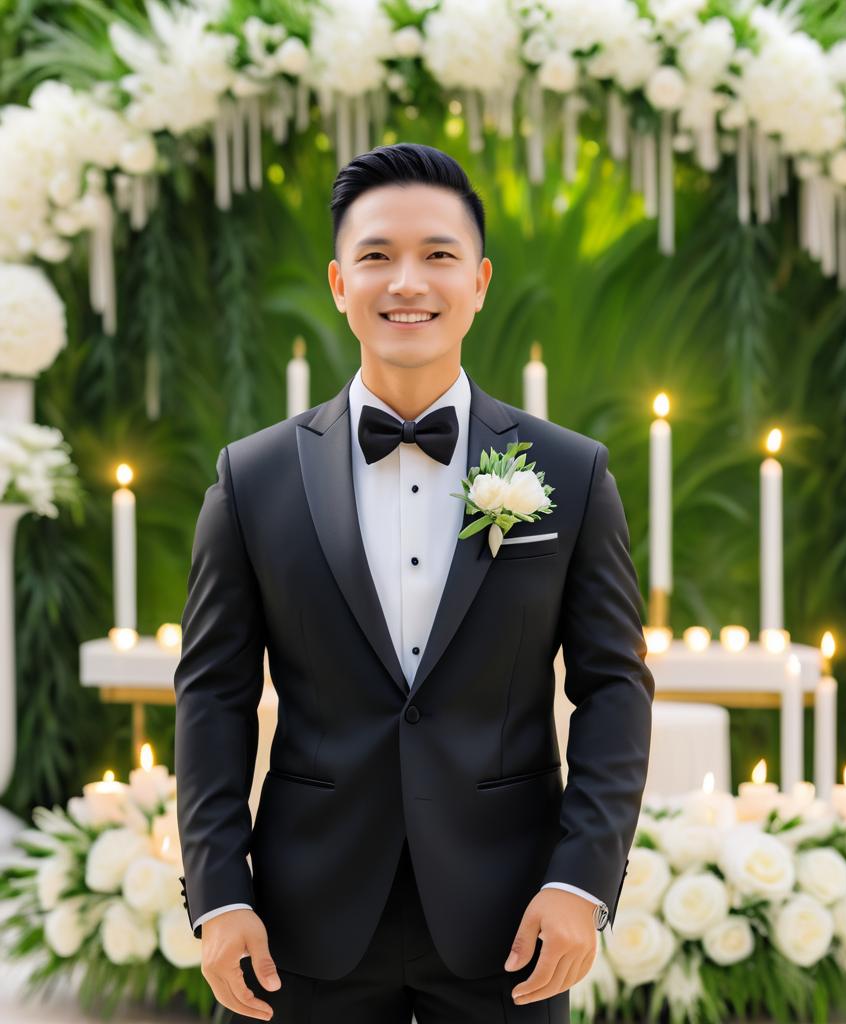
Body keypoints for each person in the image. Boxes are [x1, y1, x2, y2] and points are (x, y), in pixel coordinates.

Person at [174, 142, 655, 1023]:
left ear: (478, 280)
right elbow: (213, 695)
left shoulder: (571, 472)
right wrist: (218, 893)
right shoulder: (254, 478)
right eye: (376, 257)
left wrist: (583, 881)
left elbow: (614, 687)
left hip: (513, 919)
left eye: (437, 256)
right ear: (336, 283)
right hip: (301, 923)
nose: (407, 283)